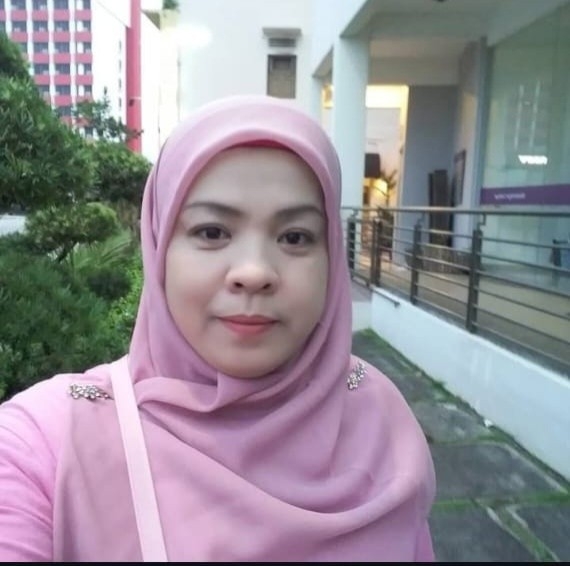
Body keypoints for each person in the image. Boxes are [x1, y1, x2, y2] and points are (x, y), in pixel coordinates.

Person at [0, 95, 435, 561]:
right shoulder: (46, 445)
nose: (254, 272)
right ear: (159, 246)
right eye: (212, 232)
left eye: (295, 237)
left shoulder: (377, 417)